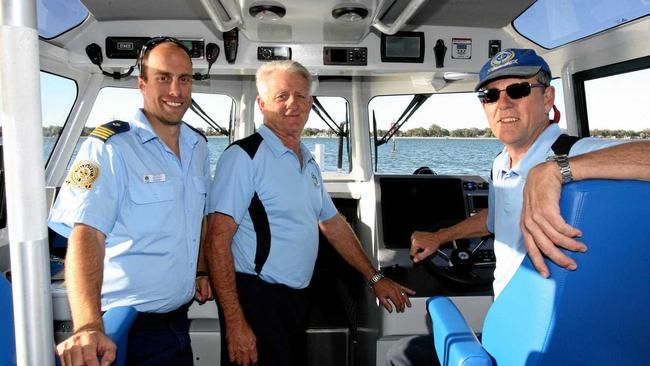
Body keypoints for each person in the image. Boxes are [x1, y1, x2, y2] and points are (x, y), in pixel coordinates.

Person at [386, 48, 650, 365]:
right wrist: (441, 236)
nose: (504, 103)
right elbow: (496, 220)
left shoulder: (574, 151)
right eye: (490, 95)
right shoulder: (501, 162)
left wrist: (557, 170)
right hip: (509, 318)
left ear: (548, 98)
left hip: (541, 334)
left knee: (400, 355)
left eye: (518, 90)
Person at [204, 60, 415, 366]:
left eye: (301, 96)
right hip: (258, 298)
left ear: (311, 104)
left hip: (297, 297)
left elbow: (332, 223)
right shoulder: (243, 157)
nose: (293, 104)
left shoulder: (306, 160)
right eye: (282, 96)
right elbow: (216, 241)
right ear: (262, 105)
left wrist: (374, 277)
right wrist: (235, 323)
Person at [49, 37, 212, 366]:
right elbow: (86, 234)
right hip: (129, 326)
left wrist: (199, 269)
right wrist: (90, 326)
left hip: (178, 320)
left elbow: (196, 216)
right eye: (163, 78)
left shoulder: (198, 146)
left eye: (184, 79)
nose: (176, 91)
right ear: (142, 84)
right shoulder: (111, 147)